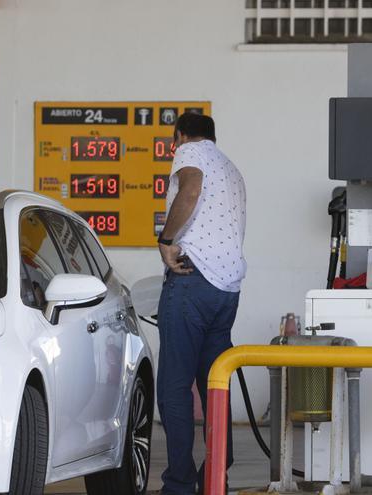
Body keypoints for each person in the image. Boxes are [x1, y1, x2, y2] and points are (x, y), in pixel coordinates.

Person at [156, 112, 247, 495]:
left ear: (180, 136)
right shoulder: (231, 168)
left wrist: (165, 238)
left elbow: (189, 190)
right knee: (215, 383)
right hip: (227, 289)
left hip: (191, 280)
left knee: (174, 385)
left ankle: (179, 484)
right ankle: (216, 477)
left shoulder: (190, 152)